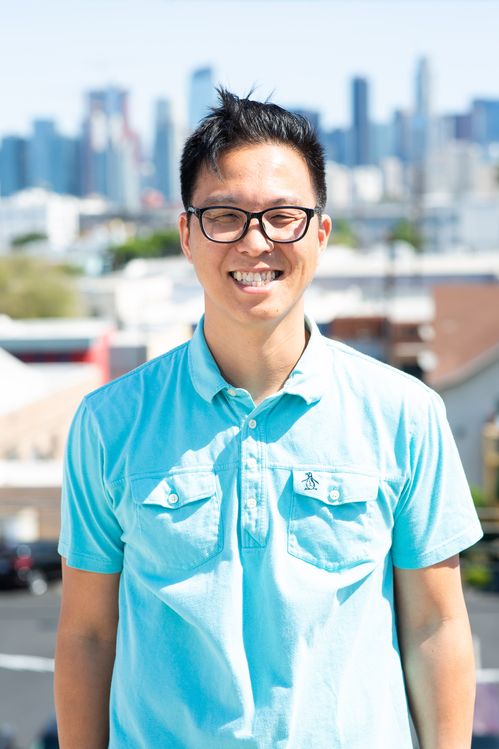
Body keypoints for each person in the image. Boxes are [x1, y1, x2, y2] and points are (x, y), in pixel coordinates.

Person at [55, 89, 483, 749]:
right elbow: (88, 634)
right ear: (186, 234)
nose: (255, 242)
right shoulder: (110, 422)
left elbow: (435, 625)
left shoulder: (404, 413)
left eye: (283, 216)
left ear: (320, 233)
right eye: (225, 216)